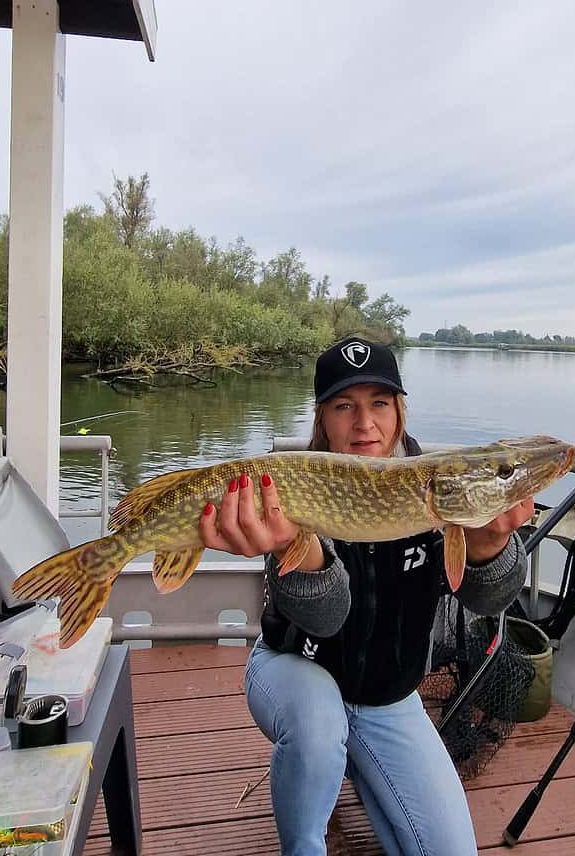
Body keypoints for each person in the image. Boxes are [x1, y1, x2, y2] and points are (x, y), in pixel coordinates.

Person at [199, 337, 532, 856]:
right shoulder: (291, 485)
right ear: (321, 418)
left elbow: (487, 600)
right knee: (317, 728)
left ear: (400, 410)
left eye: (379, 402)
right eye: (344, 406)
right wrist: (295, 547)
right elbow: (325, 618)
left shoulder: (442, 486)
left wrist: (491, 545)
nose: (364, 424)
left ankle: (351, 760)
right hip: (296, 673)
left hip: (388, 697)